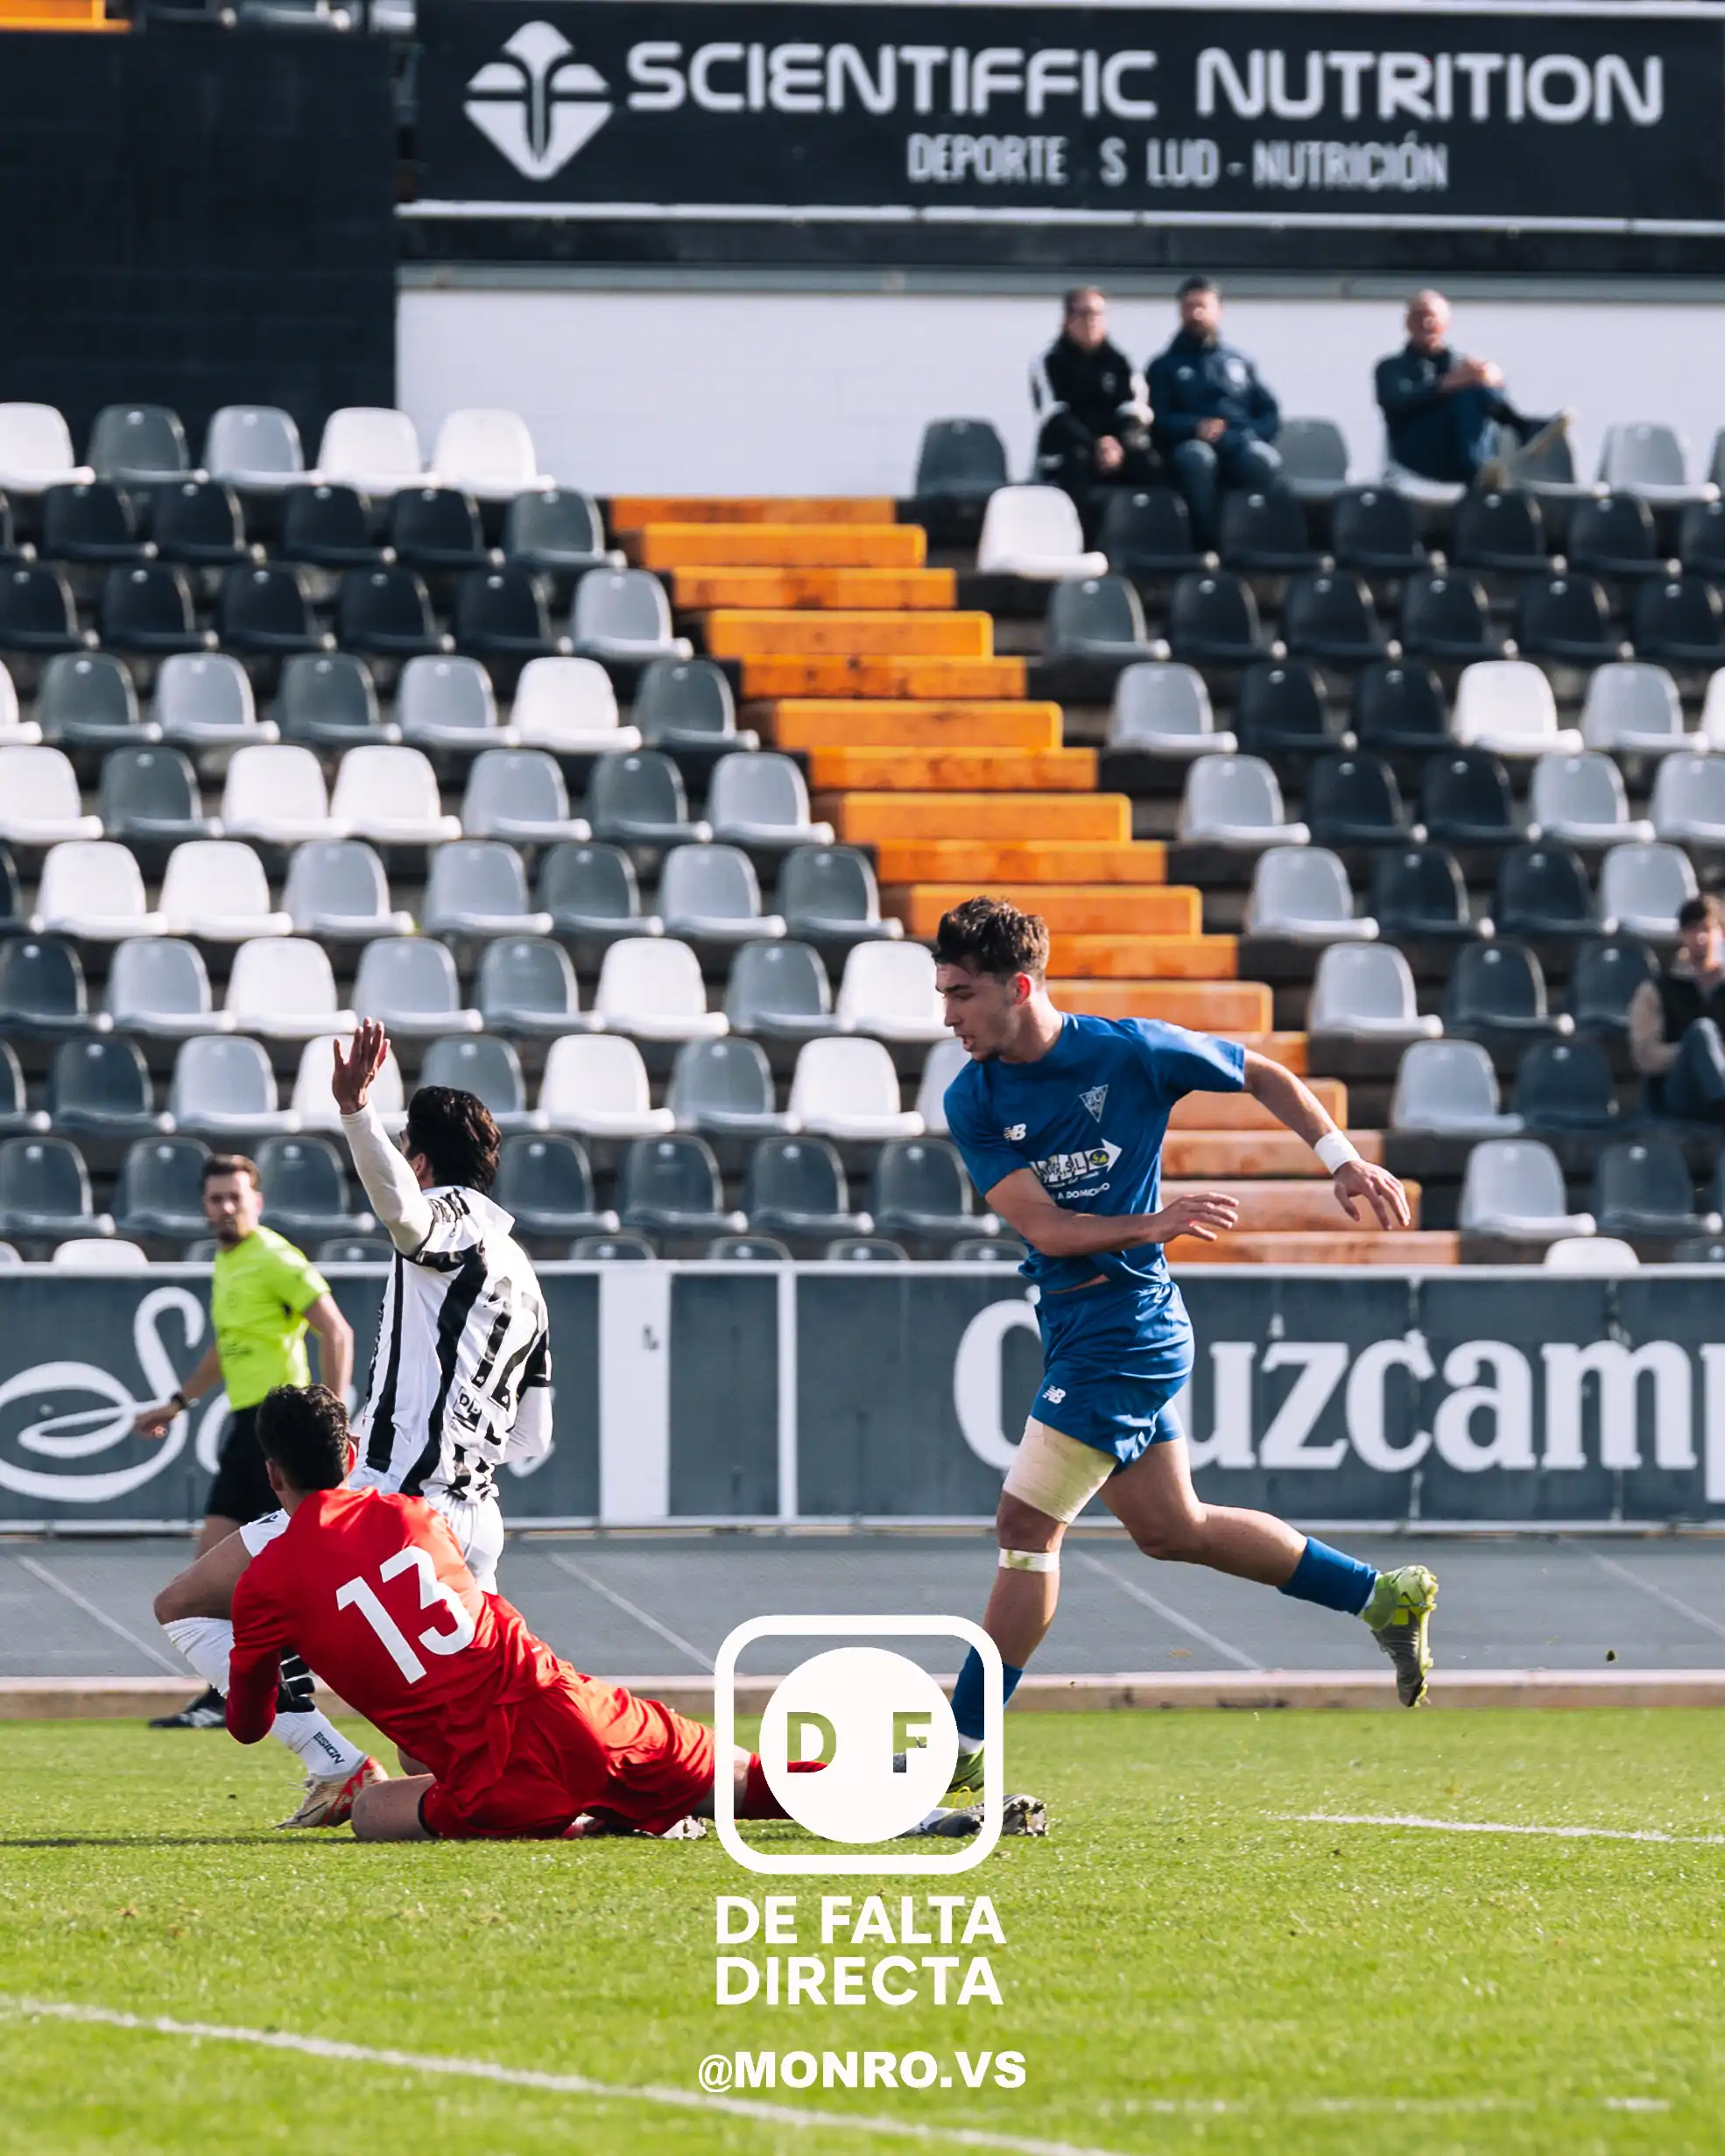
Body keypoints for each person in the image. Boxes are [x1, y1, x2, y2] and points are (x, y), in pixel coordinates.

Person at [930, 896, 1440, 1794]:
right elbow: (1043, 1226)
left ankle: (960, 1746)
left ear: (1017, 986)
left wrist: (1339, 1157)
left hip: (1124, 1334)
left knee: (1024, 1526)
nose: (947, 1015)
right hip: (1078, 1323)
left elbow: (1261, 1073)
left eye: (961, 994)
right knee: (1173, 1529)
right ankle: (1378, 1594)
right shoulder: (971, 1095)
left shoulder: (1125, 1051)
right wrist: (1154, 1218)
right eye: (941, 993)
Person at [167, 1384, 978, 1843]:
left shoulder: (269, 1580)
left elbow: (244, 1723)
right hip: (573, 1708)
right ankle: (909, 1799)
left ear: (271, 1474)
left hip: (490, 1783)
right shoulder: (417, 1516)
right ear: (349, 1456)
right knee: (742, 1779)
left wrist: (277, 1663)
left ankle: (594, 1822)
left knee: (374, 1811)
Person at [133, 1155, 363, 1823]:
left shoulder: (276, 1259)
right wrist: (177, 1402)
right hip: (246, 1429)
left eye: (234, 1197)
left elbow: (336, 1329)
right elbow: (222, 1350)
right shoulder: (229, 1264)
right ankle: (242, 1687)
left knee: (218, 1587)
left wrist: (330, 1421)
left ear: (256, 1201)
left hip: (281, 1433)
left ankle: (272, 1696)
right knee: (209, 1576)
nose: (224, 1209)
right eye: (214, 1199)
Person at [331, 1018, 552, 1597]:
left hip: (402, 1499)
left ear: (420, 1163)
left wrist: (356, 1112)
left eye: (405, 1151)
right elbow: (534, 1435)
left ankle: (285, 1689)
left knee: (216, 1600)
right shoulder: (522, 1272)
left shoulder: (449, 1218)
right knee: (471, 1685)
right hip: (479, 1519)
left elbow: (405, 1215)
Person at [1376, 290, 1569, 490]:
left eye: (1432, 317)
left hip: (1457, 454)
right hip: (1418, 455)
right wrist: (1448, 384)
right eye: (1418, 316)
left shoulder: (1460, 364)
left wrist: (1492, 378)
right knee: (1466, 394)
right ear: (1407, 323)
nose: (1425, 323)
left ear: (1445, 324)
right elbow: (1398, 402)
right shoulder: (1390, 368)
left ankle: (1493, 456)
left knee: (1475, 391)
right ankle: (1517, 429)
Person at [1147, 276, 1281, 548]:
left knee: (1263, 460)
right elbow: (1157, 418)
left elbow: (1269, 413)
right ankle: (1206, 544)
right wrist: (1195, 428)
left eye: (1203, 306)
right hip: (1189, 445)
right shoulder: (1164, 366)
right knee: (1198, 459)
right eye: (1189, 307)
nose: (1196, 314)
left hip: (1237, 440)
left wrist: (1249, 434)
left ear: (1218, 310)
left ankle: (1258, 542)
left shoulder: (1239, 362)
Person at [1031, 286, 1155, 518]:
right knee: (1076, 461)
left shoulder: (1120, 361)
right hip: (1069, 449)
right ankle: (1081, 543)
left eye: (1098, 314)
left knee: (1149, 461)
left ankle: (1151, 540)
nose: (1092, 321)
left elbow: (1137, 411)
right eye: (1085, 314)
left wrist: (1118, 444)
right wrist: (1096, 444)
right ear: (1067, 320)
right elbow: (1054, 416)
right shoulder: (1049, 361)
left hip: (1116, 448)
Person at [1630, 894, 1725, 1122]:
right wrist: (1695, 1052)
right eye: (1692, 930)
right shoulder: (1656, 990)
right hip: (1680, 1093)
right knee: (1701, 1033)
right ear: (1682, 936)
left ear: (1721, 935)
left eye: (1708, 929)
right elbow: (1645, 1056)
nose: (1701, 938)